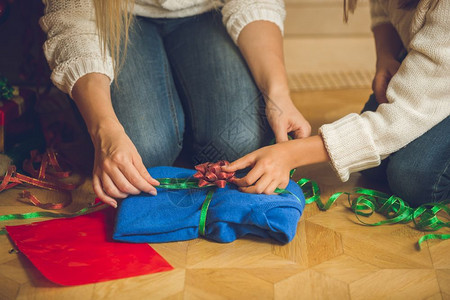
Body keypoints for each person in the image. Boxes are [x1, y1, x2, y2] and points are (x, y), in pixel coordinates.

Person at [39, 0, 311, 208]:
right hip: (113, 16)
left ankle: (184, 113)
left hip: (208, 11)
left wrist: (278, 95)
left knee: (240, 143)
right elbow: (72, 19)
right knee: (144, 153)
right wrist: (104, 131)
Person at [223, 0, 450, 207]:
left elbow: (399, 120)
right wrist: (386, 55)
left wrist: (290, 154)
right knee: (373, 164)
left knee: (413, 179)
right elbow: (383, 8)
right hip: (436, 62)